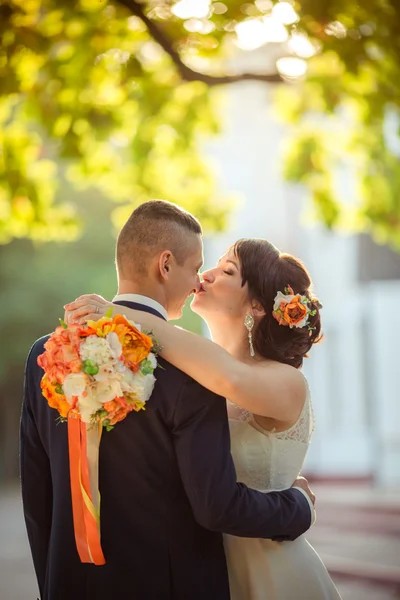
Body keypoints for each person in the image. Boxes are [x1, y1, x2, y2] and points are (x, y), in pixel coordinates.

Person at [21, 200, 315, 600]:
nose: (200, 280)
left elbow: (38, 498)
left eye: (221, 270)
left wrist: (53, 584)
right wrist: (299, 506)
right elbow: (216, 505)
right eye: (198, 267)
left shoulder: (47, 356)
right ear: (165, 265)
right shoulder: (195, 376)